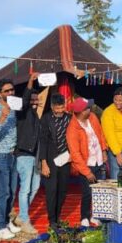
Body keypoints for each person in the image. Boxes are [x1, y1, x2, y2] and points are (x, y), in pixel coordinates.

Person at [67, 97, 108, 227]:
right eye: (87, 108)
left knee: (99, 190)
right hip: (87, 164)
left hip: (99, 160)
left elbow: (100, 134)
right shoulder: (72, 129)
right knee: (87, 192)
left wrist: (104, 150)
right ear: (81, 111)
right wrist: (87, 172)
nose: (90, 109)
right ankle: (84, 216)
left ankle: (96, 215)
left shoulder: (93, 117)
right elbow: (75, 154)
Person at [0, 79, 20, 240]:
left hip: (12, 153)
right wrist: (2, 116)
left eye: (12, 90)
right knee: (3, 192)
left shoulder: (15, 105)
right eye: (6, 91)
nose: (10, 93)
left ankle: (7, 221)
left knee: (12, 190)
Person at [12, 74, 43, 234]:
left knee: (35, 187)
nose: (35, 102)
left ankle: (21, 216)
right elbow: (24, 102)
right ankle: (25, 219)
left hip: (35, 155)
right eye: (32, 100)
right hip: (24, 154)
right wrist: (30, 82)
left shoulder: (36, 116)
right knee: (25, 189)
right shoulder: (21, 113)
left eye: (37, 100)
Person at [38, 93, 72, 227]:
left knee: (62, 190)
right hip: (51, 158)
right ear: (52, 107)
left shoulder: (70, 118)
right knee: (51, 190)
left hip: (66, 159)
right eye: (57, 108)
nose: (59, 111)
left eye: (62, 107)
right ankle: (52, 220)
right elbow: (43, 141)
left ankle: (57, 217)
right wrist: (44, 162)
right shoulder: (46, 119)